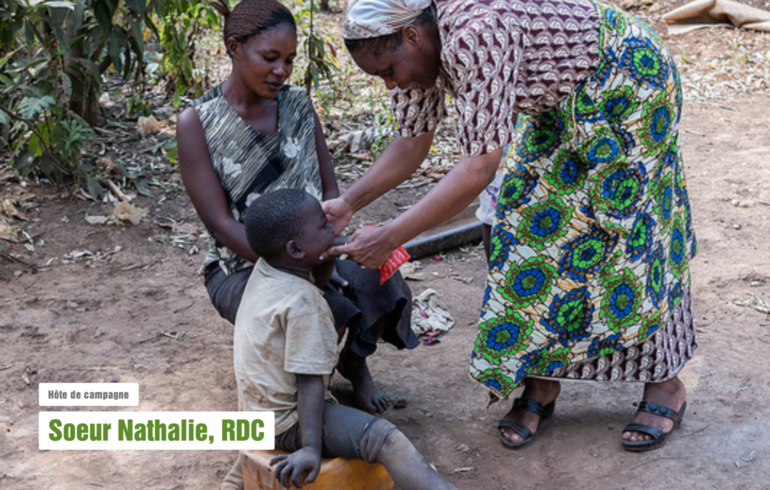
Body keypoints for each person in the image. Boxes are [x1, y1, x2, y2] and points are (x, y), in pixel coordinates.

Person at [322, 0, 698, 452]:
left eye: (388, 71)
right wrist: (347, 203)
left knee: (629, 229)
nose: (391, 83)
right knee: (527, 228)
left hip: (627, 80)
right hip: (556, 101)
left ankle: (664, 382)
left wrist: (391, 237)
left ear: (412, 36)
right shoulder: (411, 54)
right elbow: (411, 143)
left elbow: (478, 169)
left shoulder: (474, 34)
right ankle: (541, 378)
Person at [176, 0, 418, 415]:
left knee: (380, 276)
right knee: (309, 305)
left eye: (289, 60)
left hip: (315, 249)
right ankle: (303, 400)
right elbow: (221, 225)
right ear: (234, 48)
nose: (281, 71)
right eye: (270, 58)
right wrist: (298, 269)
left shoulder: (299, 105)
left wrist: (326, 251)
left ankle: (354, 362)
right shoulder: (197, 122)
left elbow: (329, 190)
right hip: (243, 266)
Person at [221, 189, 457, 490]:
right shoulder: (304, 305)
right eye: (323, 226)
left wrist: (329, 250)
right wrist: (310, 447)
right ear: (295, 249)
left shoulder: (268, 270)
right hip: (288, 422)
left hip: (257, 414)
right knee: (386, 440)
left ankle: (237, 478)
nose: (333, 230)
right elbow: (309, 381)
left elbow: (312, 275)